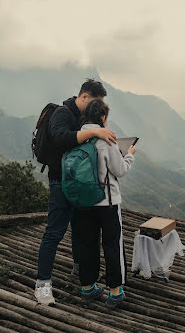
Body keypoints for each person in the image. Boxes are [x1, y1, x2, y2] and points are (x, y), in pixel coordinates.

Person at [34, 79, 118, 305]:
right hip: (61, 183)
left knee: (82, 231)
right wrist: (97, 133)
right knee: (54, 232)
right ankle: (42, 285)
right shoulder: (62, 113)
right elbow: (61, 137)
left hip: (81, 184)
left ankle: (80, 271)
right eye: (95, 102)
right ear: (83, 97)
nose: (96, 109)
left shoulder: (85, 120)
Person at [75, 99, 135, 308]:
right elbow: (120, 170)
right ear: (102, 117)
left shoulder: (77, 137)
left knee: (87, 244)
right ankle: (115, 292)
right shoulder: (107, 139)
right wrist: (129, 156)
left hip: (82, 202)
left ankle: (87, 288)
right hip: (107, 203)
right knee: (112, 245)